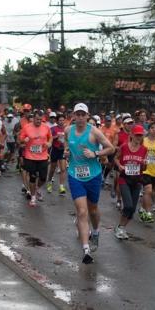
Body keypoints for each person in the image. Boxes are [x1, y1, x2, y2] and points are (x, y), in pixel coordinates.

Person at [64, 103, 114, 264]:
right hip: (74, 175)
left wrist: (95, 153)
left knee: (92, 210)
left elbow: (111, 148)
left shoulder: (94, 132)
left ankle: (97, 231)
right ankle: (86, 249)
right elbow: (68, 145)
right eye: (77, 114)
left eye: (82, 114)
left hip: (93, 175)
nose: (79, 117)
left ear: (87, 116)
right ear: (73, 115)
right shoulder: (68, 130)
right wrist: (67, 152)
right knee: (82, 211)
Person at [114, 124, 147, 239]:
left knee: (132, 209)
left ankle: (121, 227)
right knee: (128, 205)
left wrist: (144, 165)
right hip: (124, 179)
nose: (139, 137)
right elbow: (116, 158)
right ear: (132, 135)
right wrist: (119, 166)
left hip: (137, 180)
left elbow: (144, 168)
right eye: (137, 135)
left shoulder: (144, 149)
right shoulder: (124, 147)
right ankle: (120, 228)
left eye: (141, 136)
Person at [19, 110, 52, 207]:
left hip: (42, 155)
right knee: (32, 177)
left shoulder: (46, 127)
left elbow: (50, 137)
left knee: (43, 178)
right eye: (37, 119)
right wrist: (24, 140)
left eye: (40, 120)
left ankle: (37, 188)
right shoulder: (27, 127)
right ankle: (33, 197)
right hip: (30, 156)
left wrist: (49, 143)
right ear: (33, 118)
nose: (38, 121)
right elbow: (20, 138)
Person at [46, 113, 67, 195]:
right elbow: (49, 138)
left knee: (63, 169)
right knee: (52, 169)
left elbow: (68, 139)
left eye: (63, 120)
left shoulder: (66, 129)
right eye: (60, 120)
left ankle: (61, 186)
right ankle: (49, 182)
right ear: (57, 121)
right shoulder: (53, 128)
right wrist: (56, 137)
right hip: (55, 150)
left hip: (62, 150)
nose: (61, 122)